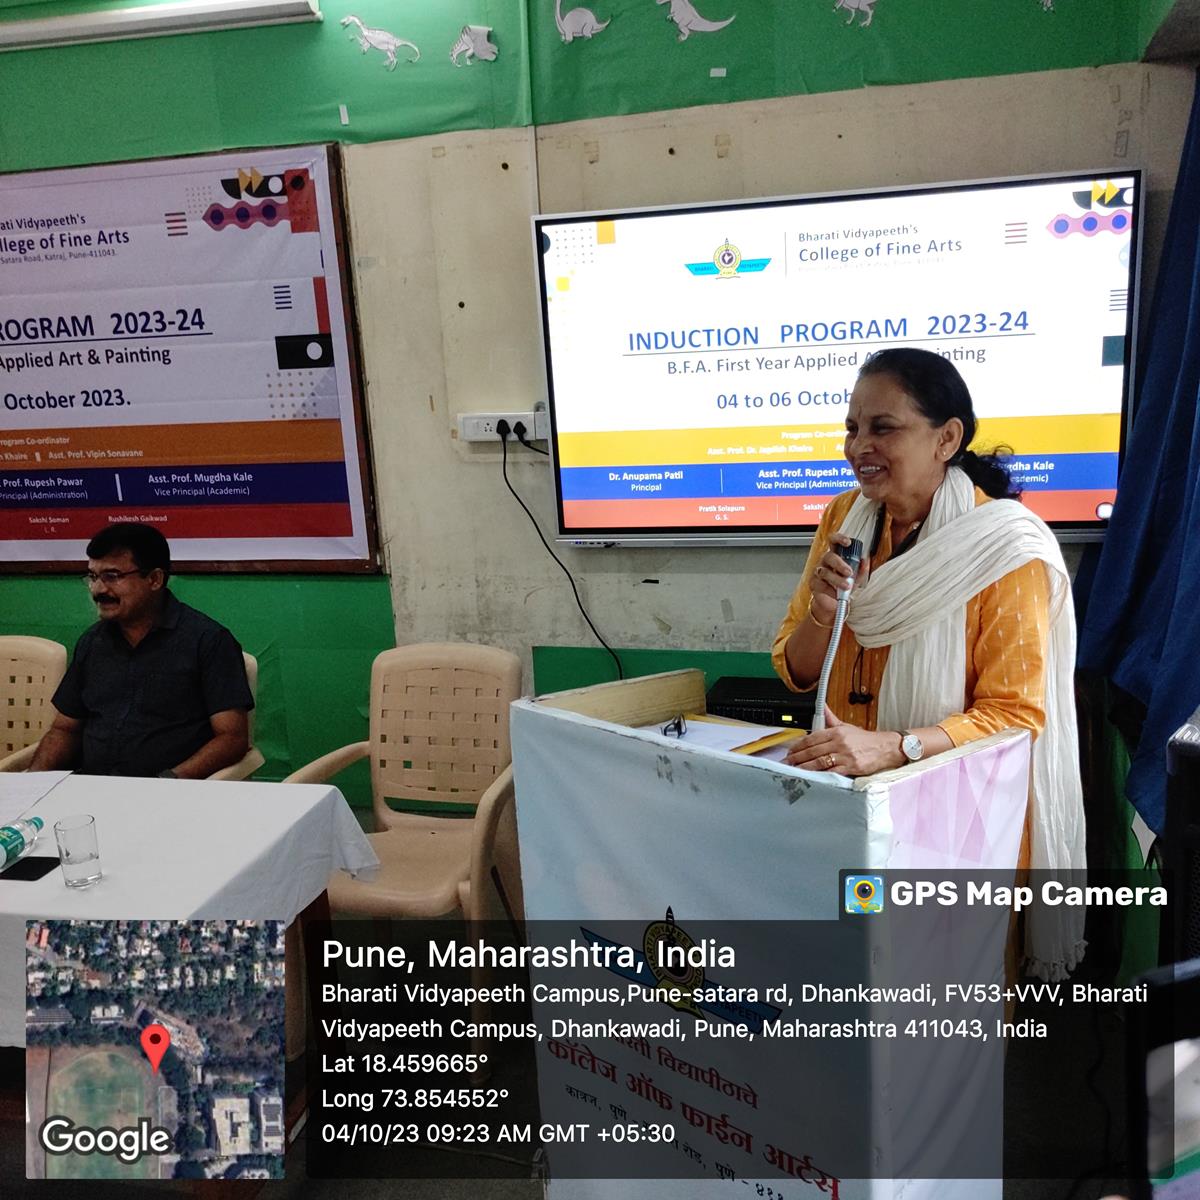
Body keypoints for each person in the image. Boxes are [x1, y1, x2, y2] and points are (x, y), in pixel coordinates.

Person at [771, 347, 1085, 980]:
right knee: (854, 987)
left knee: (944, 1000)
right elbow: (796, 671)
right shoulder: (844, 518)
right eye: (852, 428)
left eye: (883, 427)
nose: (859, 446)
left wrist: (895, 749)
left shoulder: (1006, 547)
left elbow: (1015, 718)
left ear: (947, 438)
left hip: (959, 821)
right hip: (847, 800)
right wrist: (825, 613)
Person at [29, 522, 253, 779]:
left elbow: (231, 739)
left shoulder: (208, 641)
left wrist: (169, 781)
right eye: (93, 577)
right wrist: (32, 784)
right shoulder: (92, 642)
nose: (98, 589)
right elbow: (65, 729)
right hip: (91, 789)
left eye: (112, 576)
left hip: (169, 791)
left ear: (154, 579)